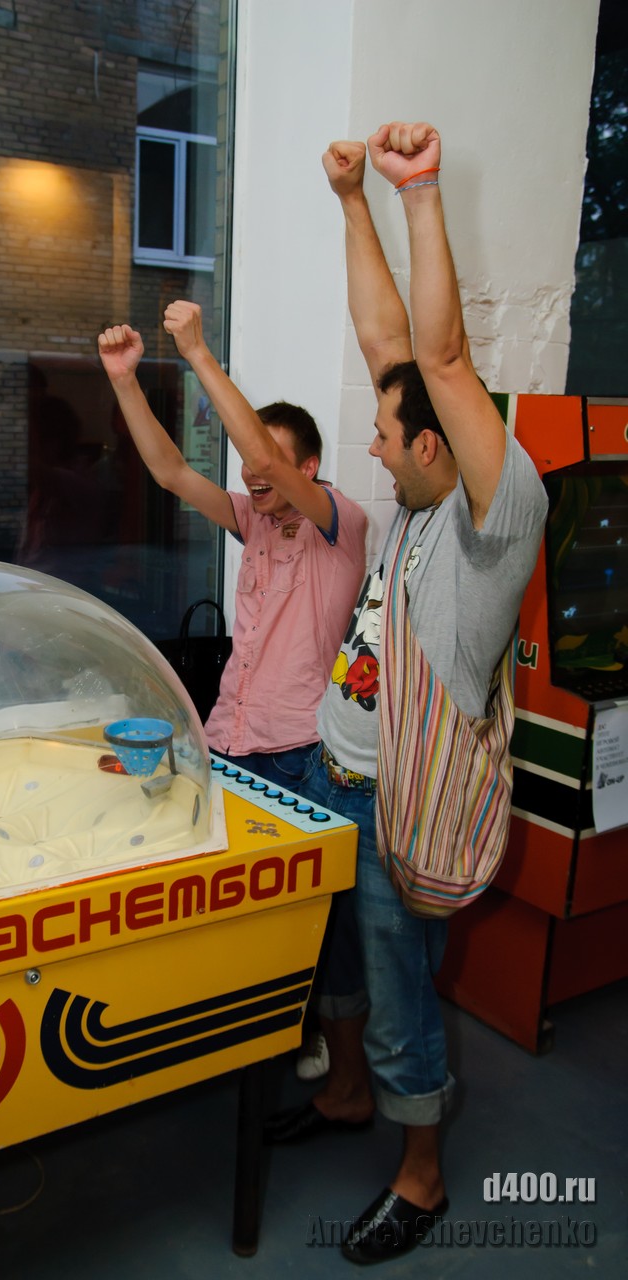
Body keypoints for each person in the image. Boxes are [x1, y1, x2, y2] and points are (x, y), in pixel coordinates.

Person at [264, 122, 548, 1266]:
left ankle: (419, 1173)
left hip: (398, 811)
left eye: (387, 437)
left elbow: (438, 362)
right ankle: (341, 1098)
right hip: (332, 775)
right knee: (334, 968)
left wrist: (418, 191)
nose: (374, 452)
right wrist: (350, 203)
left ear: (438, 446)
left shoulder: (495, 519)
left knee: (398, 998)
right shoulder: (423, 499)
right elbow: (394, 348)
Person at [97, 301, 367, 792]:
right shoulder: (253, 519)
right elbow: (171, 472)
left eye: (262, 457)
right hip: (227, 737)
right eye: (243, 457)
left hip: (295, 751)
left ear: (306, 468)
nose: (251, 470)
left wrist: (197, 351)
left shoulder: (338, 520)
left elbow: (265, 460)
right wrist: (123, 381)